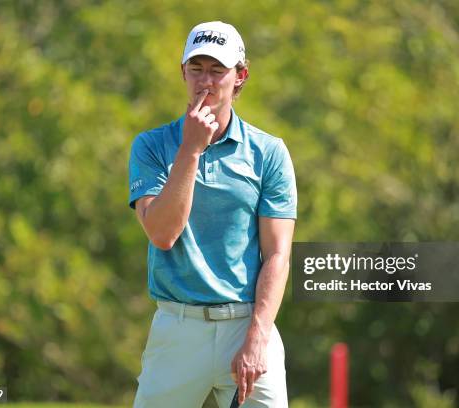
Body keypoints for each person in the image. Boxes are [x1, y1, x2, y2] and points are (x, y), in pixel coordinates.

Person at [129, 21, 297, 407]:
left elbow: (277, 254)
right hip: (177, 328)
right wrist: (190, 151)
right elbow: (162, 234)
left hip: (248, 324)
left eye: (217, 70)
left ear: (240, 77)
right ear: (182, 73)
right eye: (197, 69)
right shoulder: (153, 146)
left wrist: (257, 337)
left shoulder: (268, 153)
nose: (206, 81)